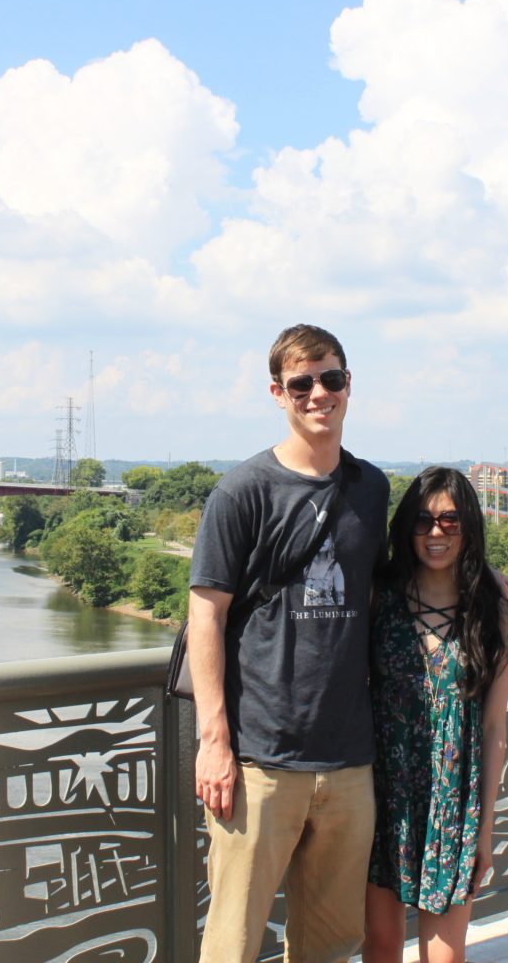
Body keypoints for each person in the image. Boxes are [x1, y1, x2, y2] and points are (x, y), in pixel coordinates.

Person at [188, 324, 390, 962]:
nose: (318, 394)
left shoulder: (371, 488)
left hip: (350, 759)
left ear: (348, 385)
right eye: (301, 383)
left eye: (330, 378)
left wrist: (490, 579)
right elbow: (205, 618)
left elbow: (414, 566)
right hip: (260, 761)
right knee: (233, 944)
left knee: (331, 946)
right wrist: (214, 742)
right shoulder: (242, 491)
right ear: (278, 393)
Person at [362, 467, 508, 963]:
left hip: (454, 802)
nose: (436, 534)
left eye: (451, 522)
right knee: (383, 947)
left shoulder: (494, 609)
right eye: (423, 521)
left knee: (446, 956)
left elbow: (495, 728)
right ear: (405, 527)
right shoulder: (378, 598)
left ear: (470, 528)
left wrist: (486, 828)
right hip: (383, 795)